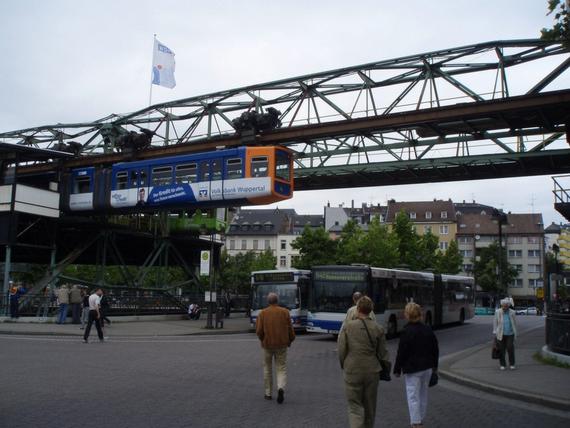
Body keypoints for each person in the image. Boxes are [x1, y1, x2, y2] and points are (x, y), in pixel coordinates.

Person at [338, 296, 389, 428]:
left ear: (357, 308)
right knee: (370, 406)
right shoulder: (378, 328)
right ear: (370, 309)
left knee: (354, 406)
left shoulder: (348, 327)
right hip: (372, 370)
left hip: (352, 369)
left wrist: (344, 364)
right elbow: (383, 354)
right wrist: (386, 368)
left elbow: (342, 349)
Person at [394, 302, 439, 428]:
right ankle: (420, 419)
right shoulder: (428, 329)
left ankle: (416, 422)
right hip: (427, 367)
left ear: (408, 315)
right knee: (423, 395)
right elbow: (435, 349)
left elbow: (401, 352)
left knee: (413, 395)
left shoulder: (406, 331)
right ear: (420, 314)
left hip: (413, 368)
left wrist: (397, 368)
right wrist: (435, 366)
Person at [255, 292, 295, 403]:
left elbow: (258, 331)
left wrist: (263, 339)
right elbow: (290, 329)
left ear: (268, 301)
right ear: (277, 301)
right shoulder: (285, 312)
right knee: (281, 368)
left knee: (267, 369)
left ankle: (268, 393)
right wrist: (290, 340)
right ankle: (280, 387)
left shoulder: (263, 313)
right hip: (281, 344)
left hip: (267, 345)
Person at [493, 297, 518, 370]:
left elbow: (514, 323)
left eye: (506, 306)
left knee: (510, 348)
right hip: (500, 333)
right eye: (503, 306)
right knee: (501, 349)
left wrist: (515, 332)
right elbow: (495, 322)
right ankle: (502, 364)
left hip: (510, 334)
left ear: (508, 306)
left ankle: (512, 364)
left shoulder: (512, 312)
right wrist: (495, 332)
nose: (504, 307)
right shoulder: (498, 312)